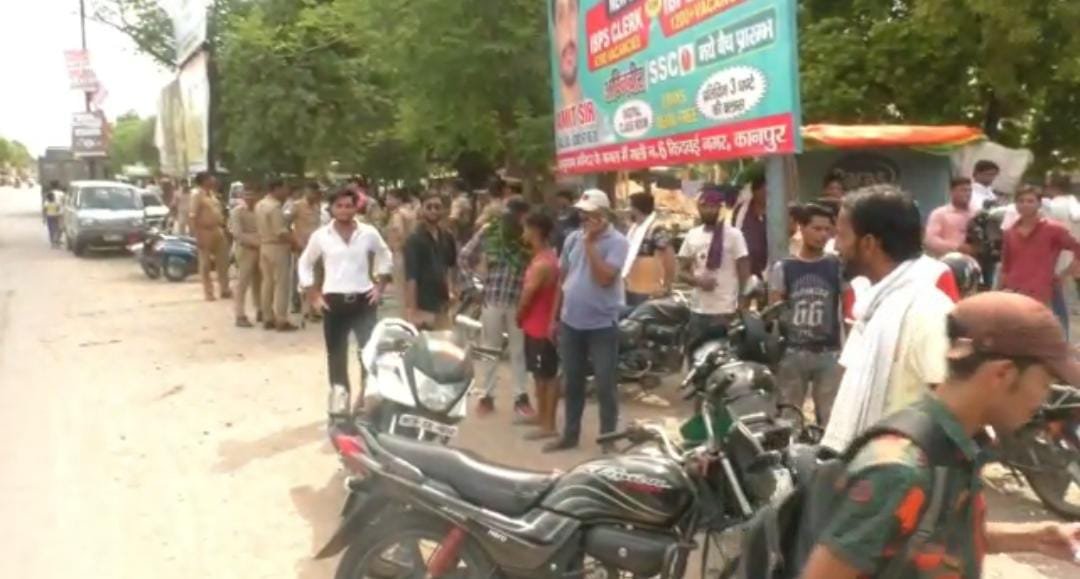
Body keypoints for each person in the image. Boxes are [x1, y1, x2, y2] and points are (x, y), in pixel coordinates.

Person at [802, 292, 1080, 579]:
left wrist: (1036, 538)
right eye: (1045, 383)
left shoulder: (954, 447)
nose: (1043, 400)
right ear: (1003, 374)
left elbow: (928, 540)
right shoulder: (901, 470)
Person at [823, 185, 956, 453]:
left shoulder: (926, 309)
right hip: (866, 464)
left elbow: (953, 405)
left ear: (869, 244)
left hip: (899, 469)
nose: (835, 247)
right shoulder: (873, 305)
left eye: (841, 236)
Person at [545, 189, 629, 453]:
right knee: (572, 382)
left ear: (604, 215)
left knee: (605, 384)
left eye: (591, 214)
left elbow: (604, 278)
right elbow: (563, 279)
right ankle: (570, 435)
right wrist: (554, 317)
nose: (584, 219)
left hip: (602, 324)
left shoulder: (617, 242)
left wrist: (591, 244)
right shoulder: (572, 239)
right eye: (582, 213)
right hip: (571, 321)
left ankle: (608, 439)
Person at [299, 188, 393, 416]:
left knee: (368, 354)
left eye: (348, 206)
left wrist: (380, 286)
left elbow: (385, 254)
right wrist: (312, 294)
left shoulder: (368, 232)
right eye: (339, 206)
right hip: (334, 302)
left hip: (363, 300)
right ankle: (340, 403)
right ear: (331, 208)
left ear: (355, 207)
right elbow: (305, 263)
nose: (344, 210)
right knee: (337, 354)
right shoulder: (321, 236)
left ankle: (365, 402)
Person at [768, 203, 844, 427]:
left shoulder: (836, 266)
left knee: (830, 420)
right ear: (802, 228)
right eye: (816, 228)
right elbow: (775, 309)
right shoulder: (784, 268)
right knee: (788, 419)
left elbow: (848, 306)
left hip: (829, 353)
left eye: (827, 229)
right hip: (793, 352)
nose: (822, 235)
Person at [459, 197, 532, 417]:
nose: (514, 218)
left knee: (518, 350)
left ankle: (520, 397)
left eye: (518, 215)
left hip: (519, 301)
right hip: (492, 298)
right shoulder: (490, 231)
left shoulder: (527, 236)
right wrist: (473, 288)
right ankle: (487, 397)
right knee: (490, 349)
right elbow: (464, 257)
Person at [678, 185, 750, 348]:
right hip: (699, 310)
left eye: (713, 206)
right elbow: (680, 272)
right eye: (705, 206)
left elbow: (744, 272)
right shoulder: (692, 235)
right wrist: (698, 281)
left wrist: (742, 304)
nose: (709, 210)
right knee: (695, 353)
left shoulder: (734, 236)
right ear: (699, 208)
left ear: (720, 208)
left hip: (726, 311)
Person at [1001, 186, 1080, 334]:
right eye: (1021, 201)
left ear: (1039, 204)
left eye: (1030, 201)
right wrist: (1003, 288)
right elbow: (1006, 264)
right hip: (1015, 291)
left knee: (1051, 333)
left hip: (1044, 291)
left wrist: (1065, 274)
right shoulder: (1010, 232)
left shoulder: (1053, 229)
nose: (1025, 205)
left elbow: (1077, 249)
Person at [518, 210, 562, 441]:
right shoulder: (544, 257)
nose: (523, 233)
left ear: (535, 230)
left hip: (541, 326)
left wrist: (519, 315)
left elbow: (528, 295)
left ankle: (549, 424)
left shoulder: (543, 263)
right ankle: (542, 416)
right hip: (536, 325)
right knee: (539, 374)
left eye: (526, 228)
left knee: (547, 375)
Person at [404, 192, 457, 330]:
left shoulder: (447, 236)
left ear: (443, 210)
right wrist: (412, 310)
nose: (433, 210)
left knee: (443, 339)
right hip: (423, 303)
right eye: (429, 207)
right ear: (422, 209)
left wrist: (451, 291)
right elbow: (411, 277)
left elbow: (451, 266)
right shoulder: (414, 239)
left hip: (443, 302)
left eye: (437, 207)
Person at [256, 179, 298, 331]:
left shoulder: (260, 204)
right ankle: (281, 319)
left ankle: (267, 316)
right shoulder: (274, 207)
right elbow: (280, 232)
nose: (286, 192)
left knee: (267, 283)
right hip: (278, 247)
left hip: (264, 246)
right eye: (284, 189)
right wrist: (295, 243)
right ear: (276, 189)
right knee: (282, 284)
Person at [622, 192, 675, 306]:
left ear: (637, 209)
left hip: (649, 291)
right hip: (630, 288)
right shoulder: (634, 229)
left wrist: (666, 286)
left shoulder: (657, 230)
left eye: (629, 206)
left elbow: (669, 258)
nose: (626, 211)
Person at [189, 172, 231, 301]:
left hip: (217, 229)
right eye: (210, 178)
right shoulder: (197, 194)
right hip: (204, 230)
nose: (213, 180)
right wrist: (196, 235)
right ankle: (209, 292)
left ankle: (225, 289)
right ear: (204, 180)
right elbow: (192, 215)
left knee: (223, 261)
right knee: (205, 264)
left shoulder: (212, 195)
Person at [229, 185, 262, 327]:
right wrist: (256, 242)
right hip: (245, 250)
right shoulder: (237, 212)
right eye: (246, 195)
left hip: (260, 250)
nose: (249, 198)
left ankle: (260, 309)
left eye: (252, 194)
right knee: (242, 283)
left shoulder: (260, 210)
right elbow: (237, 234)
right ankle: (240, 314)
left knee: (259, 281)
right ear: (242, 196)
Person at [292, 182, 324, 322]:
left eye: (316, 192)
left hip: (316, 246)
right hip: (302, 246)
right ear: (306, 191)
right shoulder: (296, 205)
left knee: (317, 278)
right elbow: (286, 223)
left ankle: (313, 308)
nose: (314, 195)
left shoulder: (317, 206)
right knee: (303, 277)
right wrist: (295, 241)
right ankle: (304, 309)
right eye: (312, 191)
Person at [924, 177, 976, 257]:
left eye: (970, 190)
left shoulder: (975, 213)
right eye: (963, 190)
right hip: (947, 259)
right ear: (952, 192)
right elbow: (930, 240)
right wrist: (957, 247)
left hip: (973, 260)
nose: (968, 193)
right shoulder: (939, 214)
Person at [731, 175, 768, 277]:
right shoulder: (741, 211)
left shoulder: (776, 211)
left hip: (767, 270)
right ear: (754, 191)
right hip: (744, 268)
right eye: (762, 190)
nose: (765, 193)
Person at [384, 189, 417, 302]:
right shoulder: (411, 212)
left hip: (400, 253)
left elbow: (398, 231)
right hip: (413, 252)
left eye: (389, 199)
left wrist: (395, 246)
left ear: (398, 199)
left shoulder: (397, 214)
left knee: (401, 289)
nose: (386, 202)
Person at [550, 0, 583, 107]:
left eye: (572, 11)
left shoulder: (603, 117)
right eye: (560, 15)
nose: (568, 27)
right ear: (554, 33)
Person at [552, 189, 580, 255]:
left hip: (574, 251)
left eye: (562, 201)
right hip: (560, 251)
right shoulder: (556, 217)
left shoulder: (576, 215)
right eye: (558, 201)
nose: (560, 203)